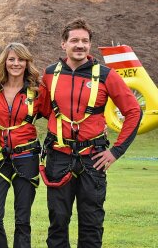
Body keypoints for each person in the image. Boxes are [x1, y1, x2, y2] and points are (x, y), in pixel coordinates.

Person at [39, 18, 142, 247]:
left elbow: (134, 111)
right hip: (58, 157)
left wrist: (115, 152)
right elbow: (44, 109)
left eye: (85, 41)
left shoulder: (106, 75)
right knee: (57, 222)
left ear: (90, 45)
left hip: (93, 159)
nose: (80, 45)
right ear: (63, 44)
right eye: (74, 40)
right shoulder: (49, 74)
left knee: (91, 223)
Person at [0, 43, 41, 248]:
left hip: (27, 158)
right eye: (11, 59)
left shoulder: (36, 91)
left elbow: (58, 114)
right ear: (4, 62)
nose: (16, 63)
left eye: (21, 59)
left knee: (22, 221)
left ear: (27, 62)